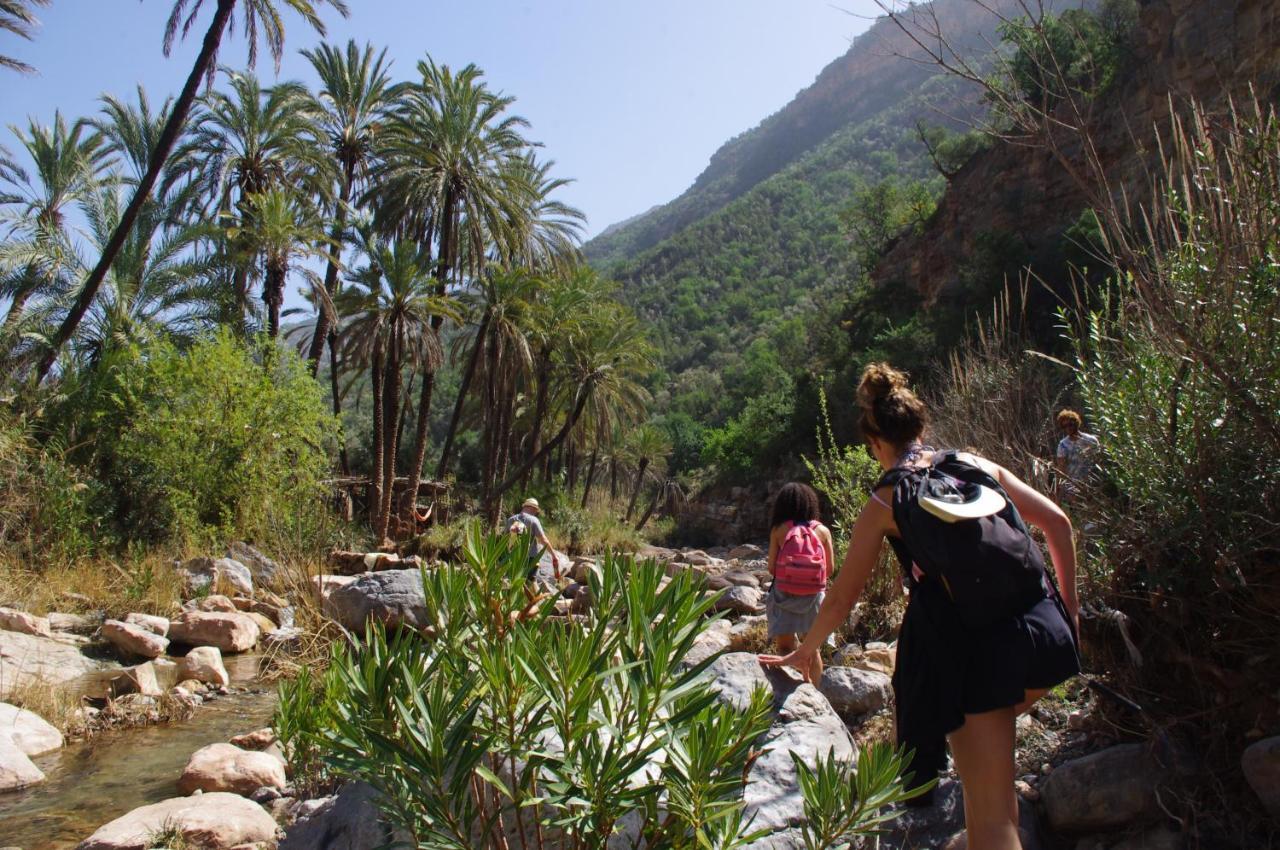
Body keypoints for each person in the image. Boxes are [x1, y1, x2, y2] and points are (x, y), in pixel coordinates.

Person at [760, 363, 1079, 850]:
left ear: (874, 443)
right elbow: (1058, 524)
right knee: (997, 798)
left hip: (973, 659)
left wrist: (805, 651)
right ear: (921, 428)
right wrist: (1069, 614)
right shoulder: (974, 464)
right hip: (1043, 637)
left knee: (990, 821)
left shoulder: (887, 500)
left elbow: (844, 595)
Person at [765, 483, 836, 685]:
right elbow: (829, 569)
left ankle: (788, 693)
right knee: (812, 649)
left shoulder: (779, 530)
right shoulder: (822, 531)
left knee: (785, 647)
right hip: (813, 598)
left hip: (783, 597)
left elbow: (772, 568)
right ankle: (814, 693)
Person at [506, 497, 561, 581]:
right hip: (530, 558)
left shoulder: (510, 520)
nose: (536, 512)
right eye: (535, 510)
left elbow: (505, 539)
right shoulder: (533, 520)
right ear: (532, 508)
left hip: (512, 558)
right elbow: (543, 539)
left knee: (513, 582)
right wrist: (554, 555)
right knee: (530, 583)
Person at [1054, 409, 1099, 503]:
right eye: (1064, 426)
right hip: (1073, 485)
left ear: (1076, 423)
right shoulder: (1063, 445)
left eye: (1070, 424)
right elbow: (1061, 467)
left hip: (1092, 482)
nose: (1068, 428)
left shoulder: (1091, 441)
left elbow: (1098, 459)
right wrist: (1059, 487)